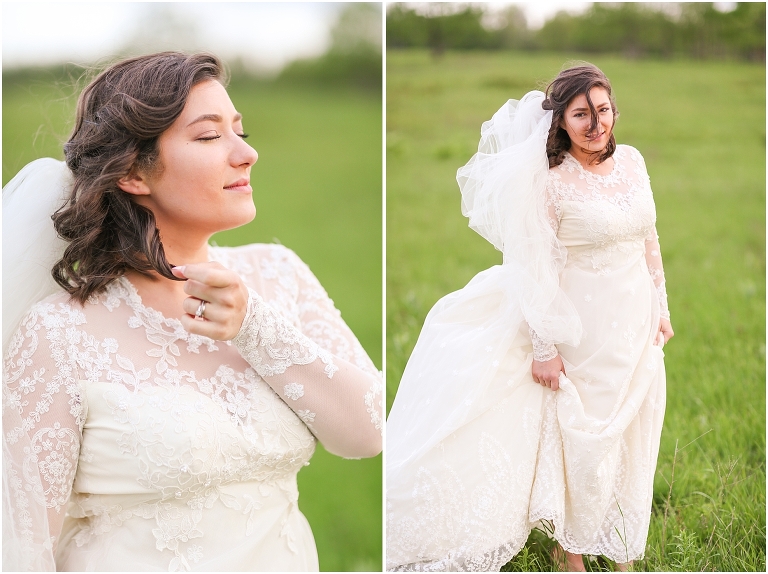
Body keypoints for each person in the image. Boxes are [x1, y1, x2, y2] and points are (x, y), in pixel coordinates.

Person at [2, 52, 382, 572]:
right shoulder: (59, 333)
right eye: (208, 137)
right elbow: (23, 548)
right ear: (133, 172)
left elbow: (367, 433)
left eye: (240, 131)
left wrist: (255, 328)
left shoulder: (279, 274)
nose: (246, 154)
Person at [386, 64, 673, 572]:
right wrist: (545, 346)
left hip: (634, 320)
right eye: (581, 114)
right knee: (583, 434)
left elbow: (649, 240)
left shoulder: (632, 161)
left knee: (630, 430)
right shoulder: (553, 183)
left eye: (602, 111)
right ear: (560, 122)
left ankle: (619, 539)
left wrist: (662, 309)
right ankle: (572, 550)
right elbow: (535, 266)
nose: (595, 124)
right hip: (579, 326)